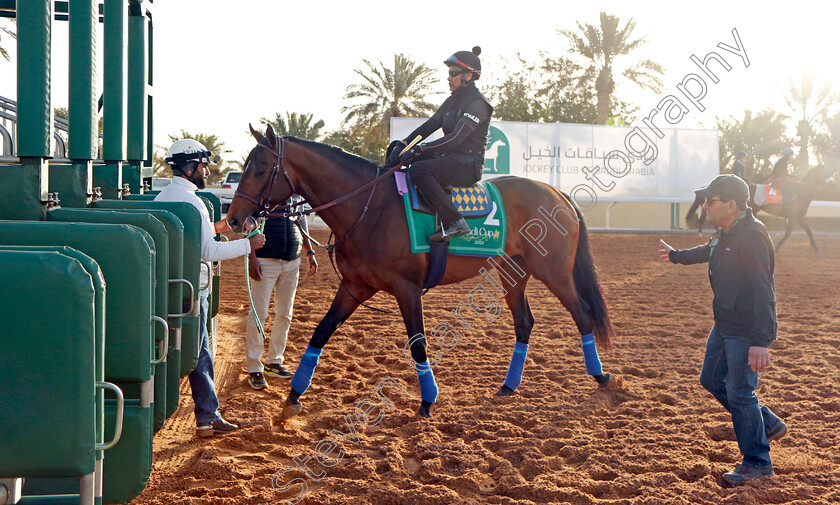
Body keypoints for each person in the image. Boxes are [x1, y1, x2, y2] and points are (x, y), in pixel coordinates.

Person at [658, 175, 787, 486]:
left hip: (744, 329)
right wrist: (677, 256)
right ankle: (766, 422)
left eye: (710, 201)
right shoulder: (726, 231)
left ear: (731, 206)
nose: (704, 207)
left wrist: (760, 341)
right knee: (712, 379)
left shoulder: (753, 235)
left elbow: (763, 290)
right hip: (724, 323)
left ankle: (757, 461)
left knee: (740, 392)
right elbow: (709, 250)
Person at [156, 139, 266, 437]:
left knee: (191, 352)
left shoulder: (165, 197)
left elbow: (196, 236)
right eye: (203, 166)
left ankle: (207, 415)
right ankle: (207, 416)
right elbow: (209, 251)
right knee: (200, 354)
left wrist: (226, 227)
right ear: (191, 167)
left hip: (168, 287)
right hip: (194, 289)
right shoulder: (193, 202)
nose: (206, 171)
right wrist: (249, 244)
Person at [386, 46, 493, 241]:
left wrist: (421, 149)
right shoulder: (451, 101)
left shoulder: (478, 104)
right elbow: (428, 127)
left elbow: (456, 139)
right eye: (449, 73)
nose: (449, 78)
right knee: (401, 159)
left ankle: (455, 221)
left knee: (419, 170)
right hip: (449, 158)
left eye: (453, 73)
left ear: (468, 76)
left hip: (467, 165)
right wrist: (405, 144)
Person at [245, 202, 318, 390]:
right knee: (259, 314)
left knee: (285, 314)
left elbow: (301, 223)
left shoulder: (296, 196)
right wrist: (252, 257)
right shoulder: (264, 194)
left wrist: (309, 252)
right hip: (265, 262)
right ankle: (254, 368)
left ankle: (274, 362)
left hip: (292, 262)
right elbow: (250, 225)